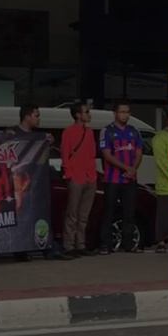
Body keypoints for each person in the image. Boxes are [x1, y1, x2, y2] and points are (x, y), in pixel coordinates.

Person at [6, 105, 64, 261]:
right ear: (27, 116)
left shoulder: (39, 138)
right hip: (17, 186)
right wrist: (6, 138)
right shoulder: (12, 133)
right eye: (36, 115)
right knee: (19, 216)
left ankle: (42, 246)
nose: (39, 119)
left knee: (36, 215)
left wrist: (48, 142)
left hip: (35, 186)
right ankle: (20, 250)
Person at [98, 100, 143, 255]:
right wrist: (126, 168)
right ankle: (106, 245)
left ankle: (128, 244)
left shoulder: (134, 131)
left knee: (129, 213)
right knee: (109, 212)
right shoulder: (107, 131)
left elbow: (138, 153)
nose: (125, 115)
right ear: (115, 113)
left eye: (127, 112)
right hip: (112, 179)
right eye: (122, 112)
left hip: (129, 179)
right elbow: (107, 155)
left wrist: (133, 169)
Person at [60, 103, 97, 258]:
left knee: (83, 215)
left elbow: (92, 154)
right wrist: (70, 175)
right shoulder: (68, 132)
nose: (89, 115)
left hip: (89, 177)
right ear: (77, 115)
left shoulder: (89, 132)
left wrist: (93, 175)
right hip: (76, 177)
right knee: (73, 214)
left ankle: (80, 244)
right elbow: (65, 154)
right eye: (86, 112)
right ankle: (69, 246)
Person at [152, 108, 168, 253]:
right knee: (164, 216)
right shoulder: (160, 138)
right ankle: (160, 241)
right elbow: (161, 161)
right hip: (166, 185)